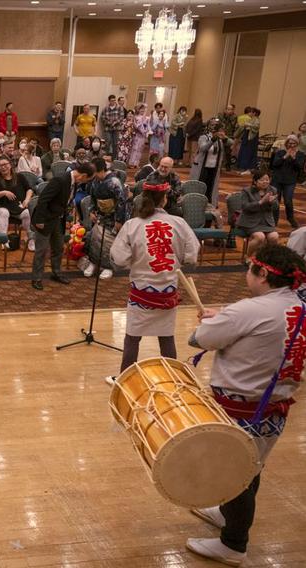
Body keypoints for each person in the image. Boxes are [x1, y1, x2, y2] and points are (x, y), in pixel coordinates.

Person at [184, 245, 306, 567]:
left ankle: (233, 543)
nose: (246, 273)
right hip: (273, 407)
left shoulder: (247, 310)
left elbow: (199, 339)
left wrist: (219, 320)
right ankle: (228, 514)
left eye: (250, 267)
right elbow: (258, 327)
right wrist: (223, 316)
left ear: (263, 274)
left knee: (233, 471)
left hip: (242, 408)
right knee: (251, 466)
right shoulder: (299, 306)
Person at [104, 179, 199, 384]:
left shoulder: (133, 225)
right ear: (164, 200)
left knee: (133, 337)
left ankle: (125, 379)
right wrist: (178, 259)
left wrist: (135, 261)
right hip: (167, 290)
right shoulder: (178, 223)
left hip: (141, 291)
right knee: (166, 336)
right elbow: (192, 254)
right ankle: (172, 378)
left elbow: (118, 258)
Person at [31, 163, 95, 290]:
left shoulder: (75, 182)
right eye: (88, 179)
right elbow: (43, 199)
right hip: (45, 219)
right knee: (41, 250)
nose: (87, 182)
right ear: (83, 175)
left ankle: (56, 272)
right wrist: (39, 220)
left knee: (58, 247)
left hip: (58, 219)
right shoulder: (60, 179)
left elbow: (65, 200)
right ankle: (36, 278)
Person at [81, 158, 127, 280]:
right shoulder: (95, 181)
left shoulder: (114, 182)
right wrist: (91, 211)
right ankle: (93, 263)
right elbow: (92, 198)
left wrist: (119, 221)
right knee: (94, 239)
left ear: (101, 170)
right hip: (100, 215)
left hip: (113, 217)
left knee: (107, 242)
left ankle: (108, 267)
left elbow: (122, 202)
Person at [0, 156, 33, 251]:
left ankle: (30, 240)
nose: (3, 167)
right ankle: (3, 241)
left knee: (27, 213)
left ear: (10, 165)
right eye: (0, 166)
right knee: (5, 213)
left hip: (18, 207)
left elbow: (29, 189)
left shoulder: (20, 177)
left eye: (5, 164)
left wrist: (27, 199)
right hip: (2, 207)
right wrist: (4, 192)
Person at [237, 169, 279, 257]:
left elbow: (276, 208)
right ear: (255, 181)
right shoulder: (246, 191)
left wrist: (271, 203)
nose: (265, 182)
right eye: (262, 180)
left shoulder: (273, 190)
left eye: (267, 180)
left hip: (266, 222)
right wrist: (260, 202)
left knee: (274, 236)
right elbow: (245, 207)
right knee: (260, 237)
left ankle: (266, 258)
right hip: (250, 222)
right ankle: (248, 257)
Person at [270, 135, 305, 229]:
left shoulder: (300, 154)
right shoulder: (280, 152)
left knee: (288, 201)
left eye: (293, 143)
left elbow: (299, 168)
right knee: (275, 201)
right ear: (286, 143)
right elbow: (275, 164)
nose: (291, 145)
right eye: (289, 143)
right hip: (277, 180)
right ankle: (274, 220)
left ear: (297, 144)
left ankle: (290, 218)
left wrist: (293, 158)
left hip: (290, 181)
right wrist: (285, 156)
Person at [190, 121, 227, 206]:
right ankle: (196, 204)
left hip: (214, 168)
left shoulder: (221, 139)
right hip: (202, 167)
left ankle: (210, 205)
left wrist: (225, 138)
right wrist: (213, 139)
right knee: (200, 186)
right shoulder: (203, 137)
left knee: (211, 187)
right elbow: (203, 148)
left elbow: (231, 143)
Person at [236, 108, 261, 175]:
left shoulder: (257, 120)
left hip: (251, 139)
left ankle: (248, 168)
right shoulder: (251, 119)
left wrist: (248, 125)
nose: (250, 113)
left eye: (251, 112)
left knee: (248, 153)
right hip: (246, 136)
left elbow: (256, 127)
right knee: (243, 151)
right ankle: (242, 168)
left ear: (254, 113)